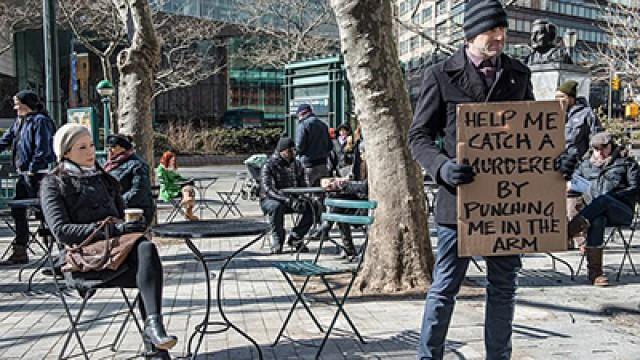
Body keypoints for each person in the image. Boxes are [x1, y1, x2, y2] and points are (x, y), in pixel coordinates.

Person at [408, 1, 536, 358]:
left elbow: (536, 135)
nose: (499, 37)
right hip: (457, 204)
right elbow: (418, 136)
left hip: (508, 204)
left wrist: (554, 161)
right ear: (470, 34)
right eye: (490, 31)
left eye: (502, 30)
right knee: (445, 286)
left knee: (503, 288)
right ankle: (428, 355)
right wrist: (442, 167)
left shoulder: (518, 74)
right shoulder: (439, 75)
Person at [40, 124, 177, 359]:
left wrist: (131, 225)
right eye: (81, 147)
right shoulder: (54, 183)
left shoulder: (105, 179)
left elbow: (120, 218)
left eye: (92, 145)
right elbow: (61, 231)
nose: (90, 151)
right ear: (65, 152)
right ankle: (154, 344)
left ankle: (154, 330)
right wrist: (114, 229)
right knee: (147, 272)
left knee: (145, 248)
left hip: (116, 255)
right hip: (83, 261)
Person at [567, 132, 640, 286]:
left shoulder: (626, 163)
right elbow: (574, 189)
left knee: (604, 199)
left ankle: (570, 230)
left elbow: (635, 189)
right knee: (598, 220)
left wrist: (615, 196)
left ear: (611, 146)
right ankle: (595, 274)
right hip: (595, 214)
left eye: (603, 147)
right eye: (596, 148)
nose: (600, 152)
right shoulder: (585, 166)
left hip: (621, 211)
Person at [0, 90, 55, 265]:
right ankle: (20, 249)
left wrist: (33, 168)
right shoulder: (20, 121)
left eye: (17, 103)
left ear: (26, 103)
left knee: (46, 213)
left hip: (37, 175)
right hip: (24, 175)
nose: (15, 107)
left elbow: (43, 147)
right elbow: (6, 140)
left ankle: (61, 251)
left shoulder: (40, 121)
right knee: (18, 210)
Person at [555, 80, 602, 249]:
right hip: (556, 165)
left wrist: (588, 162)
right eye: (556, 97)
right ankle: (562, 238)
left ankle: (580, 240)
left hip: (577, 165)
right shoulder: (554, 113)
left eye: (562, 97)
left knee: (573, 201)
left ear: (571, 98)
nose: (558, 100)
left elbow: (596, 139)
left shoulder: (586, 114)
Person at [260, 137, 314, 254]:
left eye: (294, 151)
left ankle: (296, 237)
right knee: (276, 207)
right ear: (282, 151)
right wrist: (287, 200)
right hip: (271, 199)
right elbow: (268, 189)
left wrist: (304, 196)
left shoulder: (297, 164)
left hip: (292, 198)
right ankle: (278, 240)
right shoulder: (269, 165)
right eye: (289, 151)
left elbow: (303, 185)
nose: (292, 154)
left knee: (313, 206)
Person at [104, 134, 154, 226]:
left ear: (123, 148)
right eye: (108, 147)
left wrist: (117, 203)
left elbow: (139, 191)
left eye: (113, 147)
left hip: (134, 212)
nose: (109, 150)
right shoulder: (110, 164)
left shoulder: (138, 165)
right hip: (114, 209)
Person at [295, 104, 333, 186]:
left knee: (308, 192)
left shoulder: (303, 125)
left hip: (308, 165)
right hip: (323, 164)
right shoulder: (323, 125)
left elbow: (299, 146)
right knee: (322, 190)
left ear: (302, 113)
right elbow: (330, 146)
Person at [156, 151, 199, 221]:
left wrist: (187, 180)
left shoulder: (170, 168)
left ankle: (187, 205)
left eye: (173, 160)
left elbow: (178, 178)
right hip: (168, 191)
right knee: (188, 190)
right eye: (171, 160)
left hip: (176, 188)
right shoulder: (161, 169)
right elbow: (165, 184)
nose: (173, 162)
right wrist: (179, 184)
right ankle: (188, 212)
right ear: (166, 160)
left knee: (190, 189)